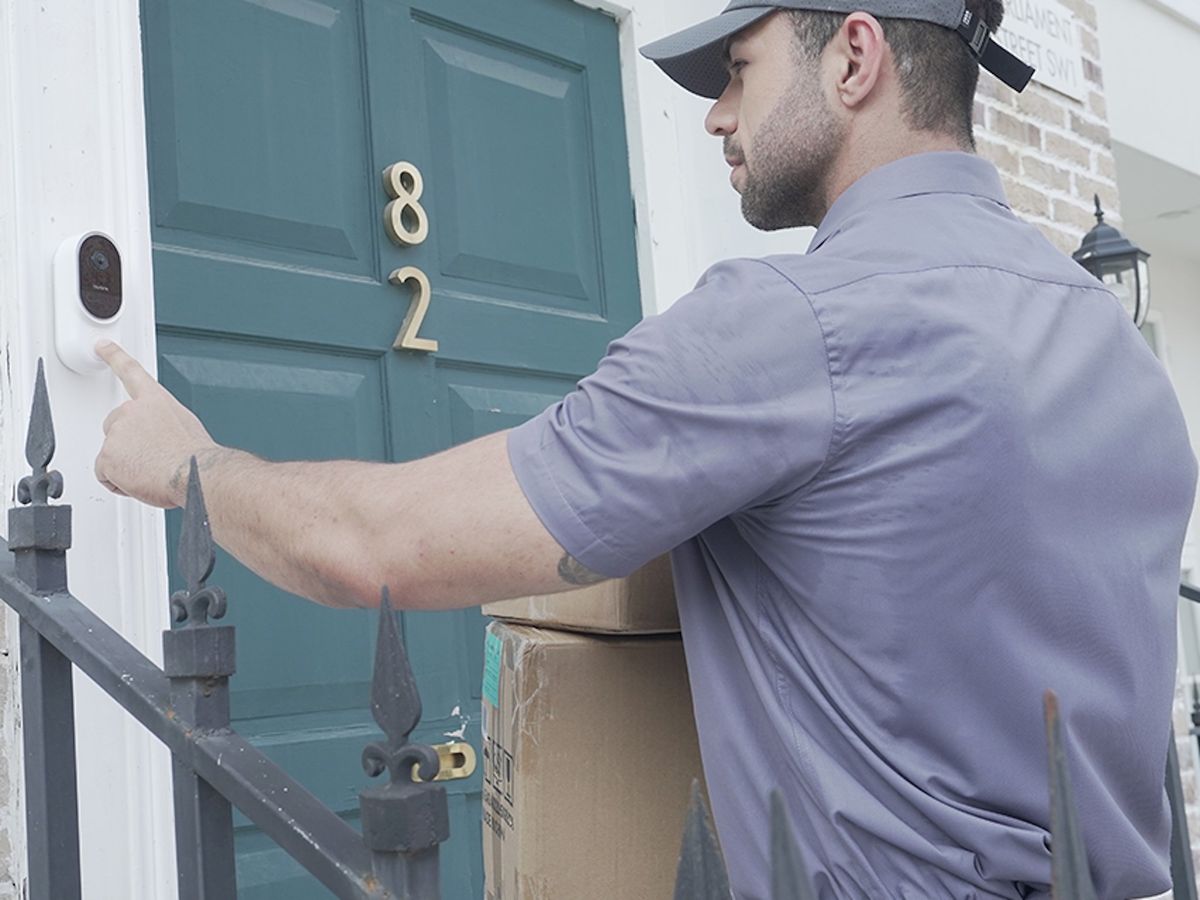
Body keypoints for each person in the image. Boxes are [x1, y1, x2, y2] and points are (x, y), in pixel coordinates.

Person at [95, 1, 1196, 898]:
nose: (717, 116)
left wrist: (190, 466)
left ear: (855, 56)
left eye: (739, 68)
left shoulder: (789, 322)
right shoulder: (1113, 341)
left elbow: (373, 548)